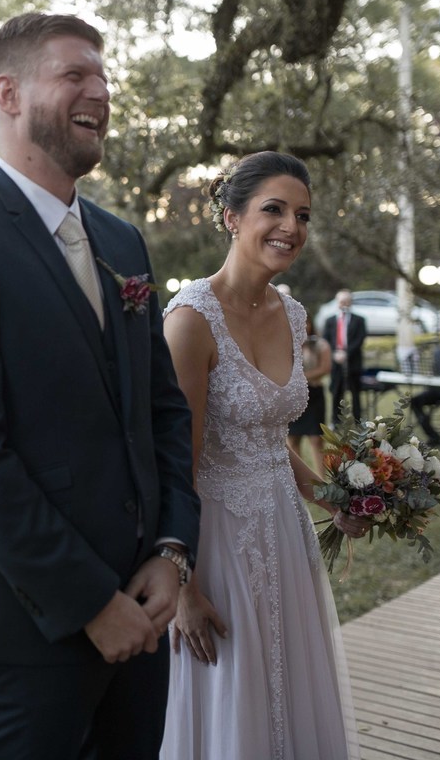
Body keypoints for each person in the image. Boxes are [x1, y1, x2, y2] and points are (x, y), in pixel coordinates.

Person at [0, 13, 200, 758]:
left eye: (103, 77)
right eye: (75, 75)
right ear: (8, 93)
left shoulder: (123, 242)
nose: (100, 90)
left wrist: (170, 551)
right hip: (22, 633)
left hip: (144, 612)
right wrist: (90, 603)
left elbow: (162, 411)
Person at [161, 152, 365, 759]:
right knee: (234, 692)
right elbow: (178, 462)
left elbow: (269, 440)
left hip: (284, 529)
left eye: (302, 214)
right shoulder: (191, 320)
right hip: (218, 539)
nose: (291, 227)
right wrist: (183, 589)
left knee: (292, 686)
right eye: (273, 209)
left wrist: (330, 497)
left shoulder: (294, 313)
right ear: (231, 216)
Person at [287, 312, 332, 467]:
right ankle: (300, 482)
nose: (304, 326)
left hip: (314, 394)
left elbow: (325, 368)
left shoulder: (320, 344)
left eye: (306, 322)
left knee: (316, 439)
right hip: (294, 395)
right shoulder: (287, 343)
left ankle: (320, 480)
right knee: (292, 438)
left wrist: (302, 376)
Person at [322, 288, 366, 424]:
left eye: (347, 302)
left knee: (355, 393)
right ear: (337, 302)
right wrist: (334, 354)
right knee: (336, 392)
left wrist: (346, 353)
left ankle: (358, 421)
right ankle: (335, 420)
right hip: (336, 361)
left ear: (351, 303)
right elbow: (326, 339)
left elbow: (360, 339)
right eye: (342, 302)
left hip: (353, 361)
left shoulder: (359, 320)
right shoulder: (330, 321)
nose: (344, 305)